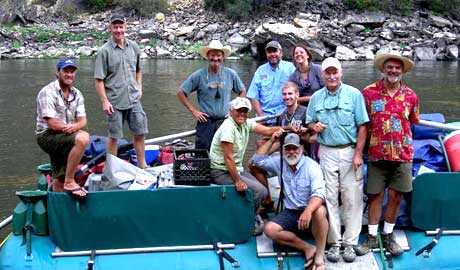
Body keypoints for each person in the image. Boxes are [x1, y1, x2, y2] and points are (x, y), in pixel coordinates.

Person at [355, 52, 419, 257]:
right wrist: (358, 152)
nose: (393, 71)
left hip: (402, 154)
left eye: (397, 68)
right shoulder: (368, 93)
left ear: (402, 71)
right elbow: (363, 123)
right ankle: (372, 237)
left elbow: (414, 121)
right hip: (376, 153)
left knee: (396, 196)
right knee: (375, 195)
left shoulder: (411, 95)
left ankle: (388, 235)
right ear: (383, 69)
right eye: (389, 67)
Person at [306, 57, 369, 263]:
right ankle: (334, 243)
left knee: (352, 196)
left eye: (335, 72)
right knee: (330, 196)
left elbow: (362, 126)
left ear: (341, 73)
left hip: (350, 151)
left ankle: (350, 243)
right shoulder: (316, 97)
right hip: (326, 151)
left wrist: (359, 153)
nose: (331, 76)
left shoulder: (354, 94)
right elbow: (309, 122)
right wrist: (314, 126)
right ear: (322, 75)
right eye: (327, 73)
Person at [253, 132, 327, 270]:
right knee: (269, 229)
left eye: (295, 148)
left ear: (302, 149)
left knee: (320, 211)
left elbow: (319, 194)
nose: (291, 152)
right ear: (283, 149)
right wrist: (272, 140)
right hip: (291, 212)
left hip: (310, 212)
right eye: (288, 148)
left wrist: (308, 211)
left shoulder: (312, 166)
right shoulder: (280, 162)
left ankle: (319, 255)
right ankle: (307, 248)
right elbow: (257, 160)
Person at [209, 97, 282, 236]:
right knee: (259, 191)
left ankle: (250, 213)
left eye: (245, 111)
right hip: (220, 171)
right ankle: (246, 220)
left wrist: (288, 128)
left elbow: (267, 130)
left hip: (235, 169)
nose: (242, 114)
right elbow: (228, 158)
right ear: (231, 111)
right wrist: (238, 181)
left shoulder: (245, 123)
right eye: (239, 111)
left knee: (262, 189)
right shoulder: (228, 128)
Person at [94, 14, 148, 168]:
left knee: (140, 132)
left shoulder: (134, 47)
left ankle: (142, 165)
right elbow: (99, 80)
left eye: (121, 26)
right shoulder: (103, 52)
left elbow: (138, 70)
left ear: (126, 27)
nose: (118, 30)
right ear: (110, 28)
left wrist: (139, 87)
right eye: (115, 27)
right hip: (114, 101)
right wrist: (104, 101)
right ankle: (112, 169)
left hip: (133, 98)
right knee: (114, 136)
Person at [249, 82, 312, 212]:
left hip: (301, 157)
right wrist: (264, 151)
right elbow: (279, 141)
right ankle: (268, 200)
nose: (287, 97)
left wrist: (304, 131)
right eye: (284, 94)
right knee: (253, 164)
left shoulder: (305, 113)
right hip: (284, 157)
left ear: (297, 95)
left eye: (290, 94)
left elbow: (311, 135)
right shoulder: (282, 116)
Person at [177, 40, 246, 151]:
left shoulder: (230, 74)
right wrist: (194, 111)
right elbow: (181, 92)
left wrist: (235, 109)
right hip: (206, 122)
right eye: (212, 55)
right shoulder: (199, 75)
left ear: (223, 57)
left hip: (226, 121)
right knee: (203, 154)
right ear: (207, 57)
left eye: (218, 55)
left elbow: (242, 90)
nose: (215, 58)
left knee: (227, 152)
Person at [36, 58, 89, 199]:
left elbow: (83, 120)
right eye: (66, 71)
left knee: (59, 177)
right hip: (46, 135)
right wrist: (72, 129)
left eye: (72, 72)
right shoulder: (47, 92)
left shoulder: (77, 93)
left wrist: (75, 126)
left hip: (65, 135)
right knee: (82, 138)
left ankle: (59, 212)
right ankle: (70, 181)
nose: (69, 75)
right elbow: (52, 123)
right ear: (57, 73)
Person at [247, 40, 295, 147]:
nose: (272, 54)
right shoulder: (260, 70)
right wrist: (261, 115)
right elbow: (253, 96)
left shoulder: (290, 68)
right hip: (265, 118)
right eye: (269, 52)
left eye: (275, 51)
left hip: (285, 118)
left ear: (281, 53)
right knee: (262, 148)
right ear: (266, 54)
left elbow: (296, 93)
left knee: (286, 148)